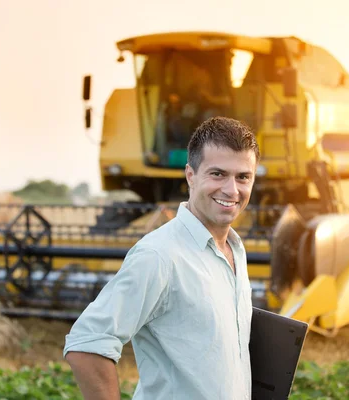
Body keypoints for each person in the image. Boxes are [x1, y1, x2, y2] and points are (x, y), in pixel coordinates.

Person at [63, 116, 260, 400]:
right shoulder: (160, 255)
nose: (232, 190)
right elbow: (87, 343)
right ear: (190, 175)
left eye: (243, 177)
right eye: (217, 174)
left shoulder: (235, 250)